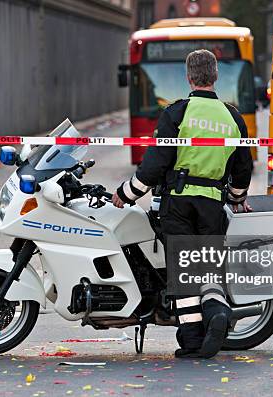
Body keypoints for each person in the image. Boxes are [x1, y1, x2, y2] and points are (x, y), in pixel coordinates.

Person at [111, 49, 253, 359]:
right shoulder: (233, 116)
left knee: (186, 271)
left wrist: (126, 194)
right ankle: (217, 310)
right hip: (213, 205)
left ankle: (191, 340)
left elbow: (154, 166)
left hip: (178, 203)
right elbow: (243, 168)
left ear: (188, 77)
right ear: (215, 76)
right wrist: (237, 199)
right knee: (208, 269)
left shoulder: (176, 113)